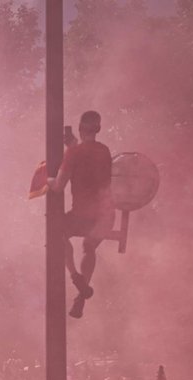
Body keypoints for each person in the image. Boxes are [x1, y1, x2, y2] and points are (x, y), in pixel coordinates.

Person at [48, 110, 114, 319]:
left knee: (56, 234)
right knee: (89, 247)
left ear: (79, 128)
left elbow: (58, 187)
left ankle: (75, 275)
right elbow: (90, 161)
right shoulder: (104, 151)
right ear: (98, 129)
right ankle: (80, 297)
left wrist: (47, 180)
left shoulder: (74, 154)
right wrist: (73, 148)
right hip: (105, 215)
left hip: (81, 216)